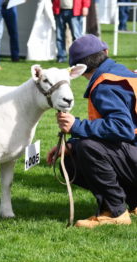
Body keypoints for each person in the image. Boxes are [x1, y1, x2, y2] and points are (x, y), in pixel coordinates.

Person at [47, 34, 137, 228]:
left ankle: (116, 212)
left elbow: (123, 128)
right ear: (105, 52)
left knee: (89, 148)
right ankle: (134, 202)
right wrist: (71, 144)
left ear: (79, 69)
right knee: (73, 154)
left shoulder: (105, 85)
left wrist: (76, 127)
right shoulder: (123, 73)